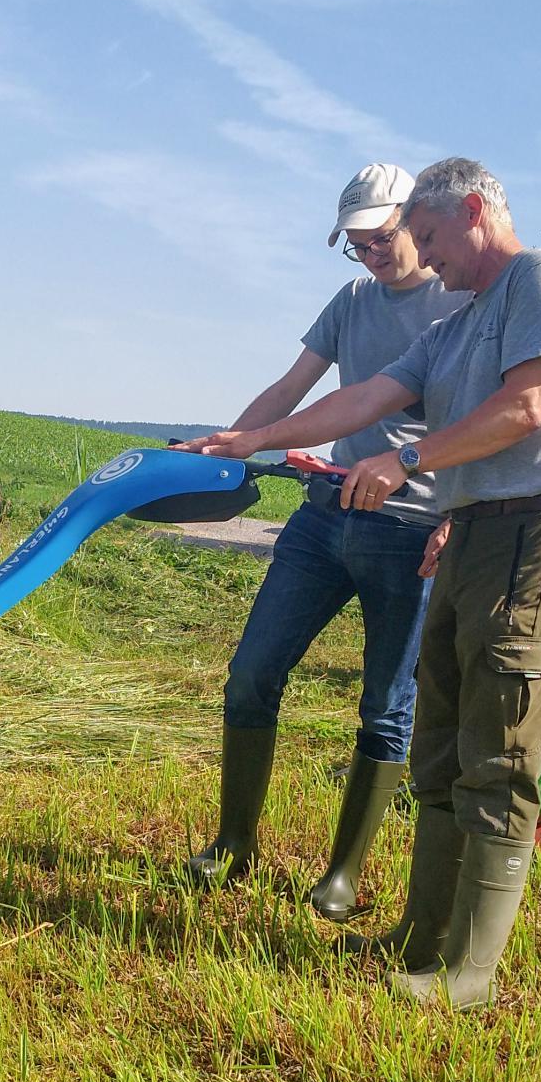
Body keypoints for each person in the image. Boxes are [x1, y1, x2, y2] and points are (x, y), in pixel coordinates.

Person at [185, 157, 541, 1008]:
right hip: (472, 527)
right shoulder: (455, 325)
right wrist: (250, 440)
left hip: (538, 524)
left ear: (475, 210)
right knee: (440, 743)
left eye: (428, 236)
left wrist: (408, 459)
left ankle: (468, 974)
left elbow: (527, 409)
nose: (423, 255)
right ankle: (420, 937)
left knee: (498, 744)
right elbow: (363, 399)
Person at [175, 163, 471, 922]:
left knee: (385, 706)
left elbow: (484, 419)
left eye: (380, 238)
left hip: (411, 531)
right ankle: (233, 844)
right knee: (251, 674)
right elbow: (291, 387)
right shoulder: (352, 301)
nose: (370, 256)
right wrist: (232, 442)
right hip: (325, 518)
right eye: (355, 245)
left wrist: (456, 513)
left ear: (416, 221)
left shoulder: (459, 299)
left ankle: (342, 874)